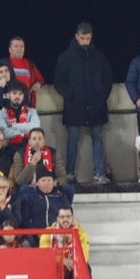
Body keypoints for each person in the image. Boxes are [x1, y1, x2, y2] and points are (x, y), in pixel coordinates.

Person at [53, 23, 114, 184]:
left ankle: (99, 173)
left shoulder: (99, 57)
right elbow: (59, 82)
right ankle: (69, 174)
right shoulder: (65, 57)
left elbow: (107, 80)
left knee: (97, 139)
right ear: (76, 37)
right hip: (74, 105)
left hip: (97, 105)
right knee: (72, 140)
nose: (85, 41)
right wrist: (70, 95)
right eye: (82, 38)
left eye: (88, 38)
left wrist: (101, 98)